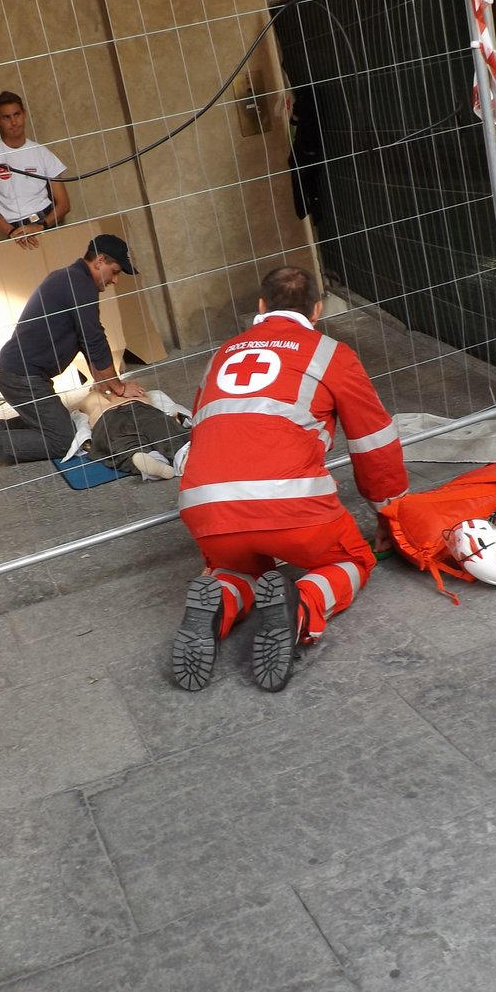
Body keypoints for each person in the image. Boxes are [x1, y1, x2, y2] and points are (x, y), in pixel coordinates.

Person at [170, 265, 408, 693]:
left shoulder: (222, 355)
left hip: (207, 512)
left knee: (236, 568)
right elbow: (373, 441)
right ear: (316, 310)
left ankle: (219, 604)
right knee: (351, 559)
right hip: (293, 510)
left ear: (260, 308)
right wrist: (391, 510)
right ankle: (301, 607)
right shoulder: (331, 354)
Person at [0, 234, 145, 475]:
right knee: (63, 439)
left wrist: (103, 384)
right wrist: (119, 388)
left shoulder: (71, 279)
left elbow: (85, 341)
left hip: (21, 373)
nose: (115, 280)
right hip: (20, 376)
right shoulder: (80, 285)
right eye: (114, 271)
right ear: (99, 260)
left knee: (57, 422)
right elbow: (95, 340)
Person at [0, 91, 71, 250]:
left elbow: (64, 204)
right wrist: (12, 232)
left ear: (24, 115)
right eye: (6, 117)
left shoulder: (41, 152)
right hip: (15, 233)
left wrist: (41, 226)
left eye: (17, 114)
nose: (14, 122)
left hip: (46, 223)